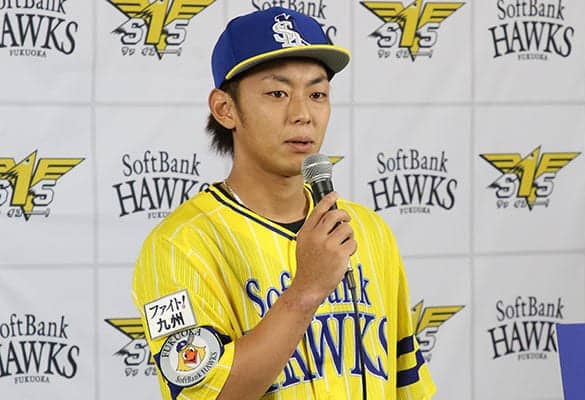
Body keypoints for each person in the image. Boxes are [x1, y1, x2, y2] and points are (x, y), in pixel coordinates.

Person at [132, 7, 435, 400]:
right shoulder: (177, 247)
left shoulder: (366, 230)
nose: (303, 114)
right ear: (225, 109)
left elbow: (407, 385)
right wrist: (306, 290)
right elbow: (206, 394)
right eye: (277, 93)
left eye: (317, 94)